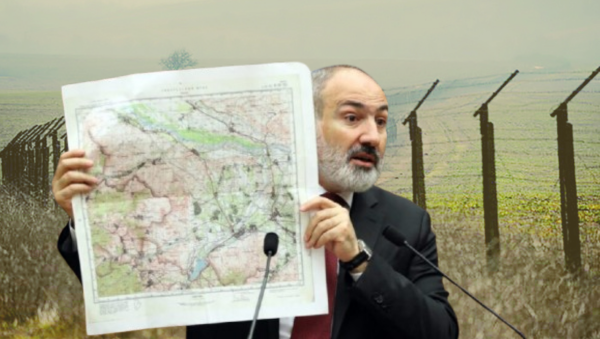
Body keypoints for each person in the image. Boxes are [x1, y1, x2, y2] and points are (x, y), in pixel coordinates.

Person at [53, 65, 459, 339]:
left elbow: (440, 330)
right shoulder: (227, 198)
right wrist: (88, 220)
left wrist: (359, 260)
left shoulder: (406, 223)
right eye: (352, 118)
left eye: (381, 121)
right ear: (302, 121)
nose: (372, 136)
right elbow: (139, 283)